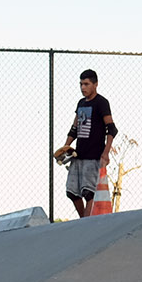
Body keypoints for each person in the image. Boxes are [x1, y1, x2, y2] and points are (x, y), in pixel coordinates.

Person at [53, 69, 116, 217]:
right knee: (72, 192)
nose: (83, 87)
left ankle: (86, 224)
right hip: (78, 155)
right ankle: (83, 221)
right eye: (81, 84)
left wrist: (106, 153)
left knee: (89, 192)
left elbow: (112, 128)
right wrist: (65, 147)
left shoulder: (101, 102)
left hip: (93, 155)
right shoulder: (81, 103)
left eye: (86, 84)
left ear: (95, 84)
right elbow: (75, 128)